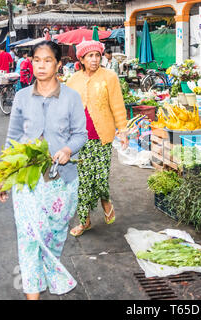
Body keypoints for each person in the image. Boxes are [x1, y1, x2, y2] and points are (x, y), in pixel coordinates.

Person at [0, 41, 88, 300]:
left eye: (47, 60)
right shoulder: (22, 96)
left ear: (59, 64)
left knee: (53, 238)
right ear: (31, 62)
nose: (41, 65)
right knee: (28, 238)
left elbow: (81, 134)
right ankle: (32, 294)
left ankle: (47, 270)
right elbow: (13, 138)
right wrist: (3, 176)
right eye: (37, 59)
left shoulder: (71, 97)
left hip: (61, 182)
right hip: (27, 179)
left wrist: (68, 150)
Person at [66, 40, 129, 237]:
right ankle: (84, 221)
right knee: (83, 182)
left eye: (97, 55)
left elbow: (117, 105)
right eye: (90, 56)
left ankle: (105, 201)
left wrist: (123, 130)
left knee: (100, 179)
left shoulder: (109, 77)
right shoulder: (73, 80)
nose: (94, 59)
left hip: (102, 137)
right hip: (79, 140)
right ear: (82, 59)